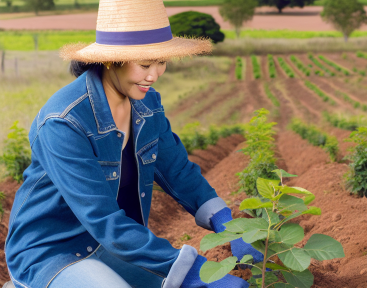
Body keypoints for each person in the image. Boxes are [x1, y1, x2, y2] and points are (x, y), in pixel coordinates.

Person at [4, 0, 262, 287]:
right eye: (144, 64)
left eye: (161, 62)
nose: (154, 75)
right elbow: (102, 219)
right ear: (112, 59)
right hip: (53, 251)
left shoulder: (147, 105)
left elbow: (177, 171)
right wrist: (189, 270)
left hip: (113, 246)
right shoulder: (63, 122)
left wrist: (224, 220)